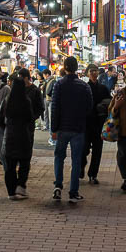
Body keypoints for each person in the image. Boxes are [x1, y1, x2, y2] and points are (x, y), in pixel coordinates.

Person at [51, 57, 92, 203]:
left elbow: (54, 108)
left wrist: (53, 128)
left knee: (59, 157)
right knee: (76, 160)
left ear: (65, 67)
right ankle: (73, 191)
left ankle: (58, 186)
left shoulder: (59, 85)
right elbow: (89, 107)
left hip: (62, 128)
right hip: (78, 128)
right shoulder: (84, 86)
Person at [0, 77, 34, 200]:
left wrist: (6, 128)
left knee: (10, 166)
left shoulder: (7, 100)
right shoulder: (26, 101)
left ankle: (11, 192)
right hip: (23, 136)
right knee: (24, 163)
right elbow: (30, 118)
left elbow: (0, 119)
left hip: (10, 137)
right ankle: (20, 186)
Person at [80, 64, 111, 184]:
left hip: (99, 124)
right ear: (87, 73)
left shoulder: (103, 88)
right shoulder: (84, 87)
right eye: (91, 71)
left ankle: (93, 174)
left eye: (95, 71)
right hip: (86, 124)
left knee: (97, 151)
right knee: (83, 149)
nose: (93, 73)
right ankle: (81, 167)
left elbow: (109, 102)